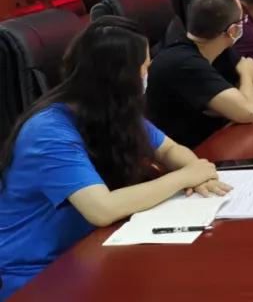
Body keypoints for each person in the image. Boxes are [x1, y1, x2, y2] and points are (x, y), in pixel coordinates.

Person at [0, 18, 229, 297]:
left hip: (94, 249)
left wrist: (196, 172)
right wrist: (185, 177)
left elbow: (169, 149)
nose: (148, 73)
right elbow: (102, 209)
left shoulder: (108, 110)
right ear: (120, 77)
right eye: (144, 67)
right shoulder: (48, 131)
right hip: (38, 273)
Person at [147, 0, 253, 148]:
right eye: (243, 20)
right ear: (233, 30)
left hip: (220, 138)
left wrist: (235, 104)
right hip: (190, 151)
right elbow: (247, 111)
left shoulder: (222, 48)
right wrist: (246, 75)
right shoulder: (183, 62)